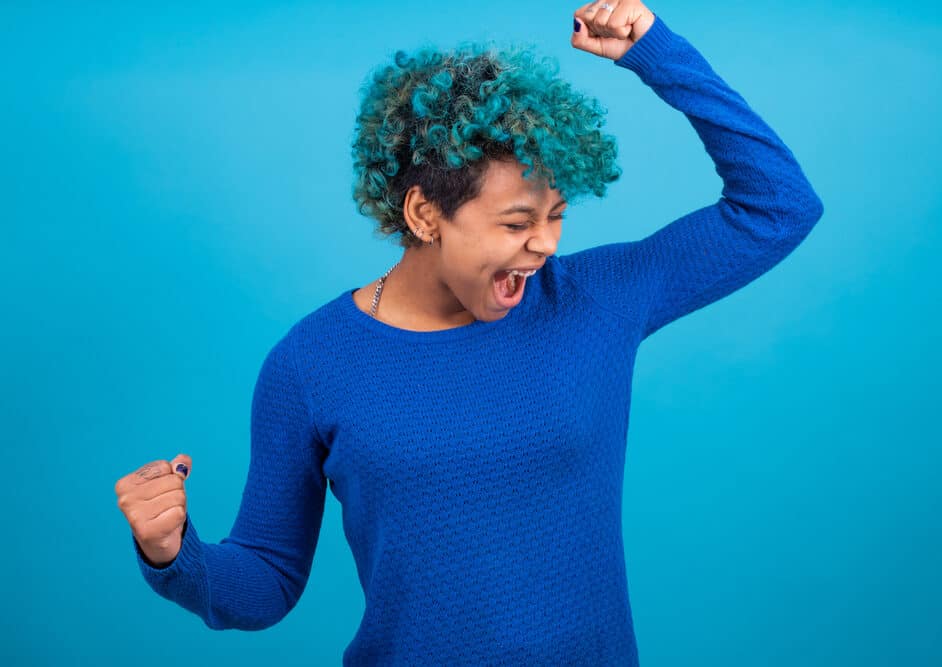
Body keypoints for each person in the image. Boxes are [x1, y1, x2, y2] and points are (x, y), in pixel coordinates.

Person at [114, 1, 824, 664]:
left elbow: (779, 205)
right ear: (424, 215)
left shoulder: (595, 300)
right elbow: (266, 578)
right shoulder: (309, 364)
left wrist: (658, 54)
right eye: (517, 222)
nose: (545, 244)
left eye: (557, 214)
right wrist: (176, 554)